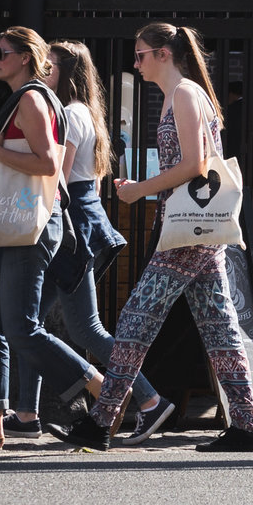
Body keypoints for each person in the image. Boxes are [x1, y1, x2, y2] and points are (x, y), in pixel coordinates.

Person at [66, 22, 253, 452]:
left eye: (140, 55)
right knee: (221, 329)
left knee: (136, 320)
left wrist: (141, 189)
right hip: (197, 231)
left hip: (191, 232)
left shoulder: (185, 94)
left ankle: (101, 422)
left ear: (163, 54)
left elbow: (194, 165)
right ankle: (246, 426)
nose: (135, 63)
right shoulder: (182, 96)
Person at [0, 27, 85, 452]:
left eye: (1, 53)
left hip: (32, 226)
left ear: (26, 57)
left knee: (23, 328)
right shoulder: (26, 98)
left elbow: (47, 164)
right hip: (16, 224)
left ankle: (103, 387)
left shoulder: (31, 98)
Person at [31, 39, 173, 442]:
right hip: (82, 225)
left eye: (50, 65)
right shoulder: (83, 114)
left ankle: (147, 400)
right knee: (30, 322)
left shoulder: (71, 114)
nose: (44, 72)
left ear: (67, 72)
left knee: (82, 329)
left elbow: (56, 174)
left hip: (71, 229)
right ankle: (24, 413)